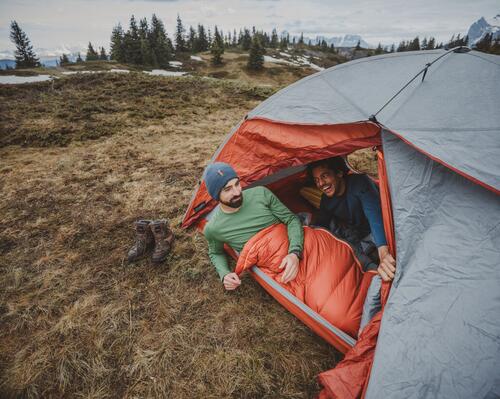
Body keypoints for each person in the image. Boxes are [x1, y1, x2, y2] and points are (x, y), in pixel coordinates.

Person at [203, 162, 304, 290]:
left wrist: (295, 253)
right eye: (227, 189)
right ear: (216, 196)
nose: (237, 192)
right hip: (275, 264)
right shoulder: (213, 228)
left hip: (297, 245)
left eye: (237, 184)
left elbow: (291, 219)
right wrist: (224, 274)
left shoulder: (260, 193)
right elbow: (216, 253)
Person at [307, 157, 396, 282]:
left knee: (391, 254)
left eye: (325, 176)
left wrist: (383, 253)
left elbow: (374, 216)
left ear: (339, 173)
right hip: (359, 237)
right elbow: (321, 225)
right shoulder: (326, 201)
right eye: (317, 180)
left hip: (384, 228)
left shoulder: (359, 182)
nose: (321, 184)